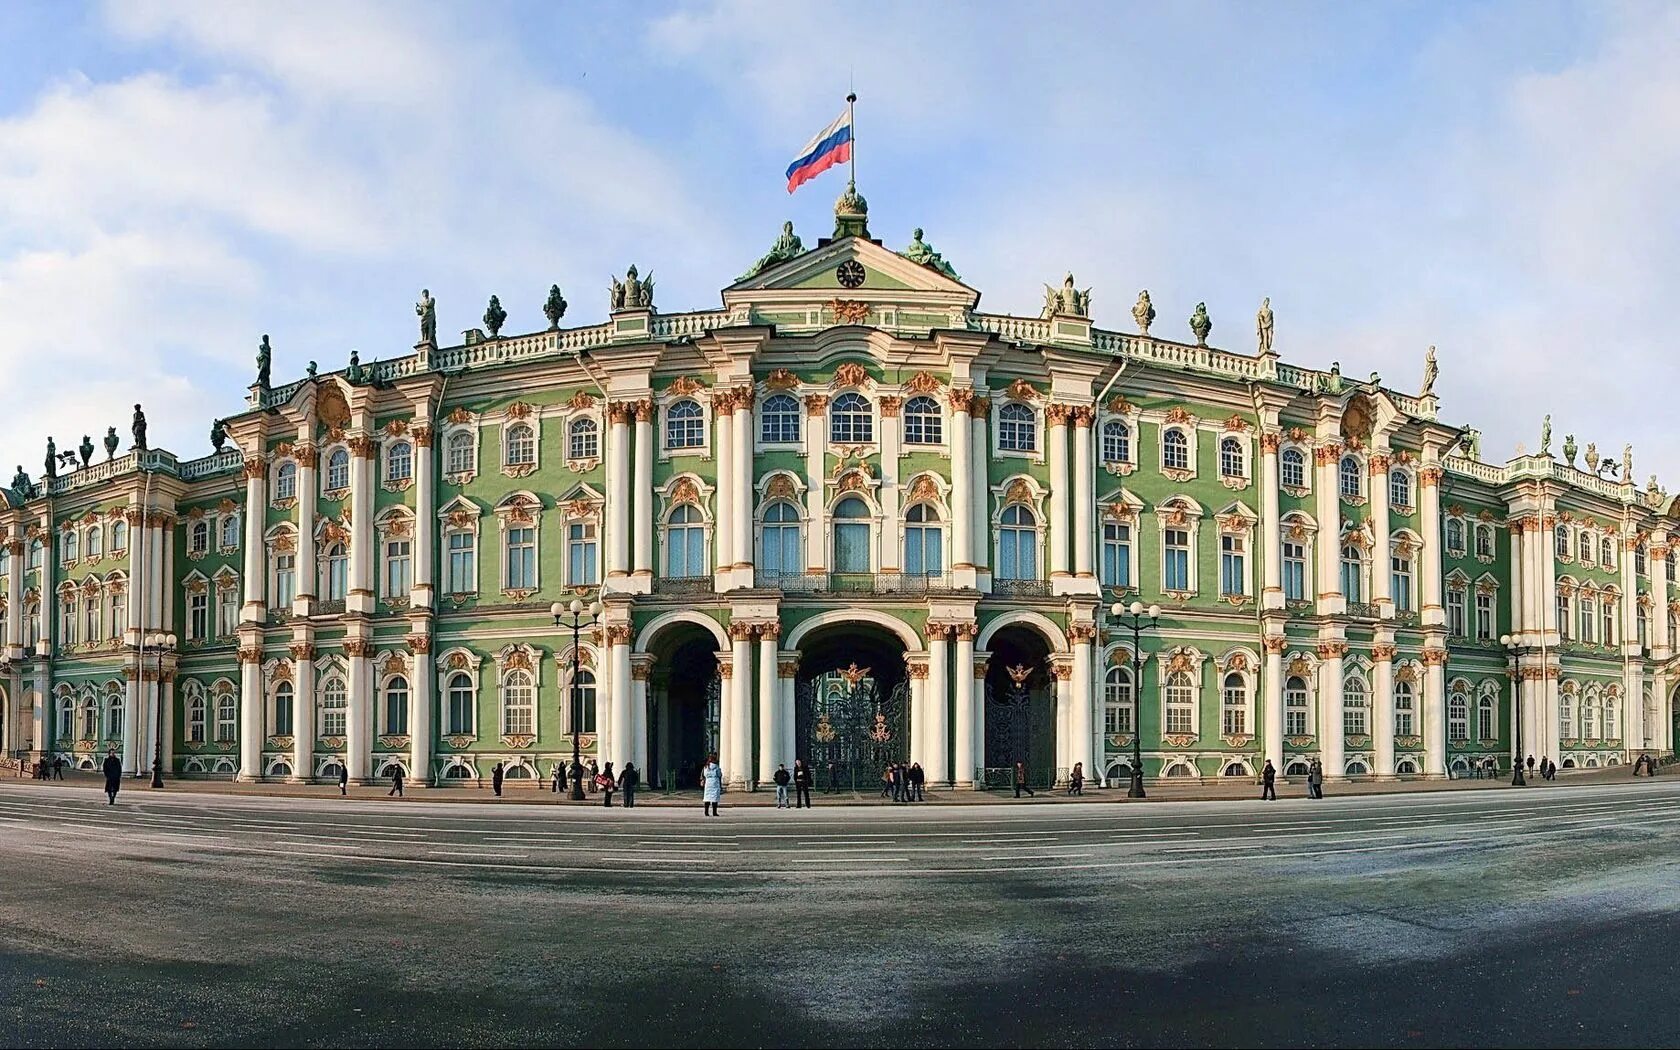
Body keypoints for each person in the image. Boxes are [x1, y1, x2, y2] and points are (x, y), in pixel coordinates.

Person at [701, 753, 723, 817]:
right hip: (715, 782)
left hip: (708, 783)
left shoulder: (706, 767)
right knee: (714, 799)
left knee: (707, 798)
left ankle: (706, 812)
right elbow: (719, 774)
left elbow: (704, 775)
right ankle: (714, 812)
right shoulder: (716, 767)